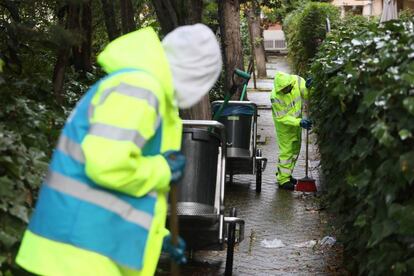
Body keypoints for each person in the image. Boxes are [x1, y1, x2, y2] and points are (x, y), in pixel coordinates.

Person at [16, 24, 222, 276]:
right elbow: (107, 164)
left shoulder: (148, 92)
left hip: (85, 250)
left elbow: (129, 195)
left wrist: (158, 239)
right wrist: (162, 169)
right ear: (194, 74)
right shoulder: (139, 89)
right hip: (76, 254)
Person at [270, 71, 311, 191]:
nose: (285, 91)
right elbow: (282, 117)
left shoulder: (297, 81)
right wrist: (299, 122)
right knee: (286, 152)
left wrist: (308, 88)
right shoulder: (275, 96)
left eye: (287, 88)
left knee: (295, 150)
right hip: (284, 128)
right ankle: (283, 180)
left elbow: (306, 94)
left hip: (297, 124)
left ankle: (287, 174)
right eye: (283, 89)